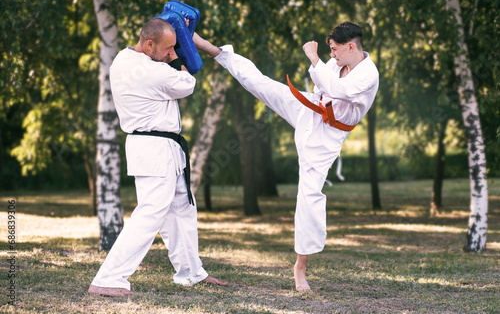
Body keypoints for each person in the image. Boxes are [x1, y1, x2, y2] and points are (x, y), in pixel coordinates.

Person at [193, 22, 379, 291]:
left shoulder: (368, 74)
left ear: (351, 46)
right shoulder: (337, 63)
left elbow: (337, 91)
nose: (333, 55)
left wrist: (314, 57)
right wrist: (320, 65)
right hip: (310, 110)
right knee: (261, 84)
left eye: (335, 50)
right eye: (330, 50)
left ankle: (300, 267)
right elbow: (321, 87)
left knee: (309, 195)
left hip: (327, 137)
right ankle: (209, 47)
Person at [88, 18, 227, 297]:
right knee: (151, 213)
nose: (171, 52)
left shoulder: (123, 59)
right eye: (167, 48)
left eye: (173, 47)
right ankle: (109, 278)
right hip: (155, 148)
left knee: (181, 209)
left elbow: (159, 33)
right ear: (149, 45)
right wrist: (177, 59)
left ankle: (191, 272)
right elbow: (188, 84)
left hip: (159, 146)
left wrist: (174, 24)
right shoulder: (153, 72)